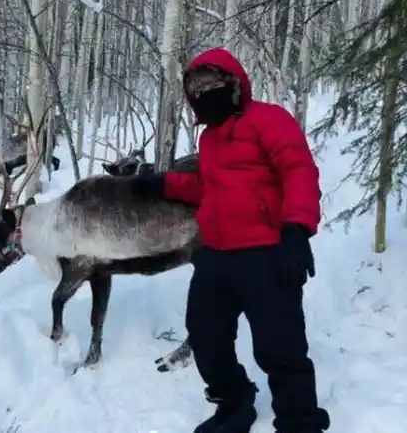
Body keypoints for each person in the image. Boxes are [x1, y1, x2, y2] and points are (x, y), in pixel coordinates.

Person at [131, 48, 330, 433]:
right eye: (196, 88)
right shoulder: (209, 140)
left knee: (280, 346)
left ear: (235, 83)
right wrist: (162, 183)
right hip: (215, 255)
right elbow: (207, 187)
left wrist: (296, 229)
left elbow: (298, 171)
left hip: (267, 253)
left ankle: (299, 421)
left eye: (213, 83)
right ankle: (235, 402)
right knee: (206, 336)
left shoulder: (269, 120)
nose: (206, 92)